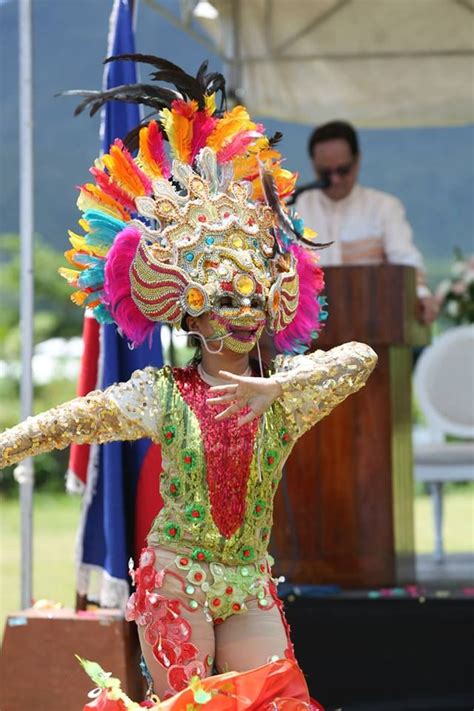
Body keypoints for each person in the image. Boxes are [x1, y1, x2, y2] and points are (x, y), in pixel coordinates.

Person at [0, 58, 377, 707]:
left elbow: (361, 358)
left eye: (255, 300)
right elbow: (64, 423)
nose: (244, 312)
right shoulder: (162, 392)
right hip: (177, 584)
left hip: (250, 583)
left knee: (279, 701)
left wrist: (274, 390)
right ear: (195, 315)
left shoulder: (287, 393)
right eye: (227, 300)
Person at [294, 120, 439, 325]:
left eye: (343, 170)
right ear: (313, 165)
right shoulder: (294, 209)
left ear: (357, 160)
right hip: (311, 329)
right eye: (325, 173)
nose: (335, 180)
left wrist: (421, 296)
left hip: (374, 326)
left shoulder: (384, 207)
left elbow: (405, 261)